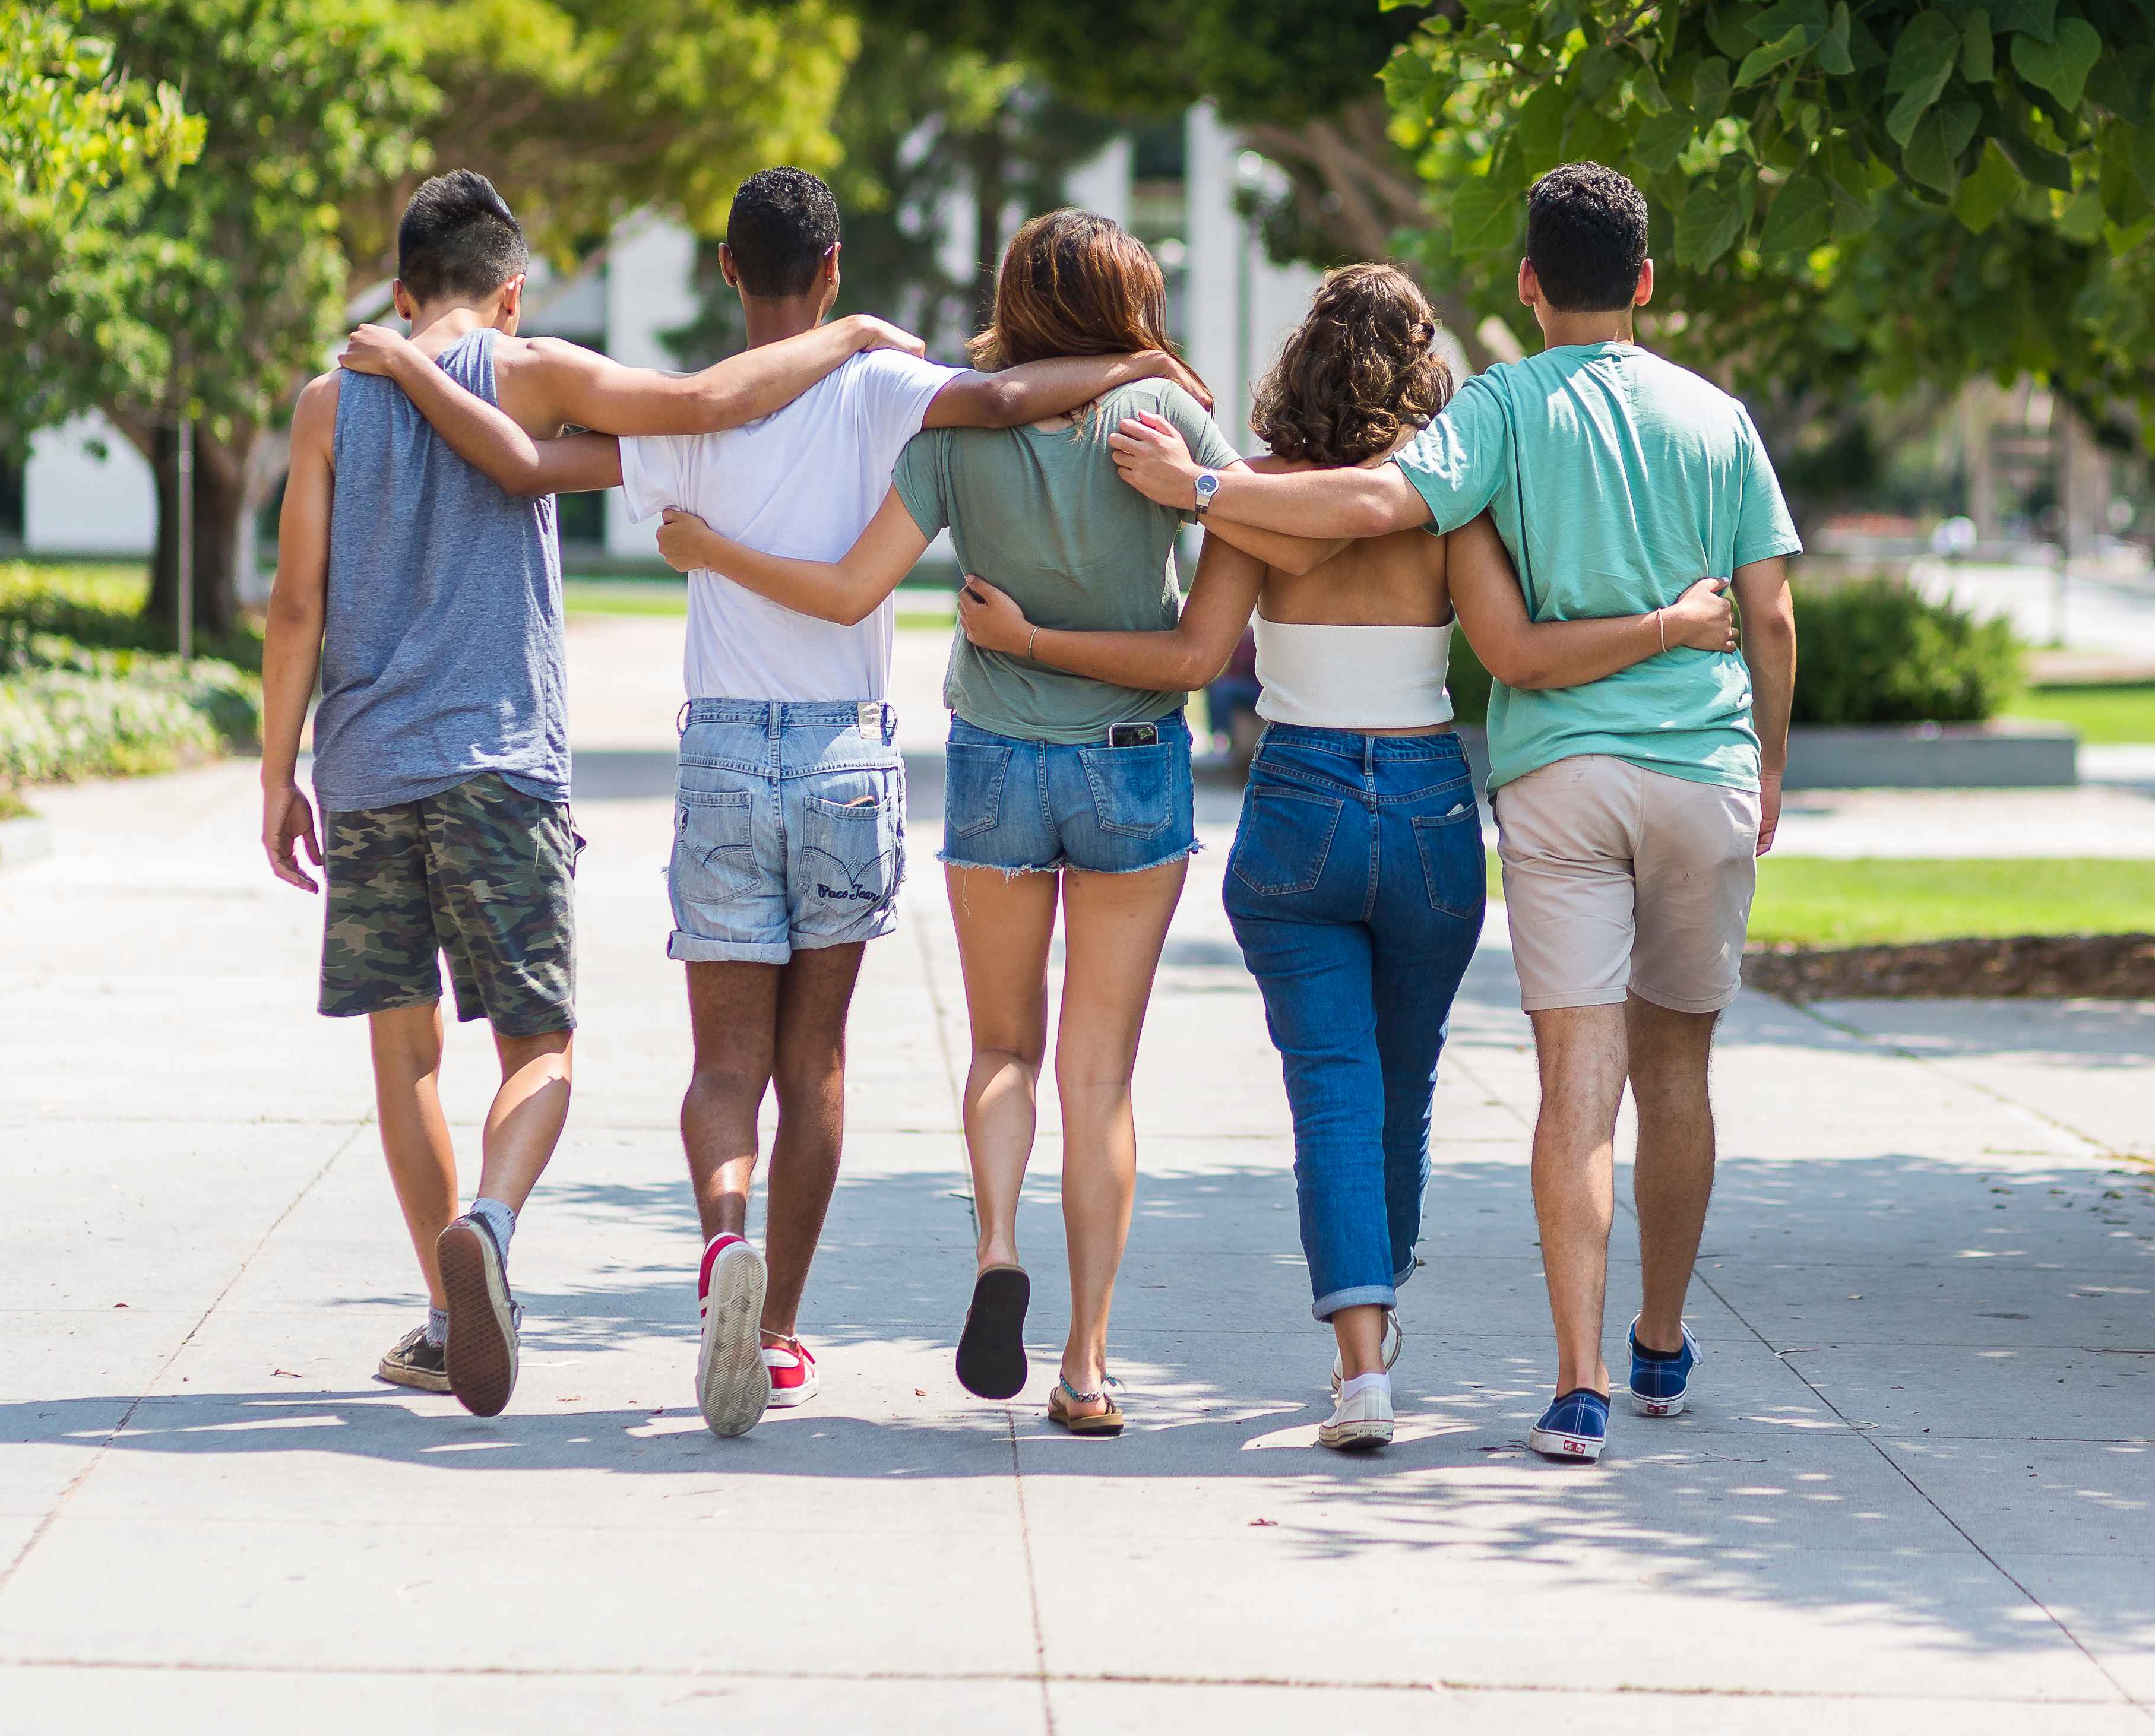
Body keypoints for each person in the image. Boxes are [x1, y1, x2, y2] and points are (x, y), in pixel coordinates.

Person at [335, 167, 1209, 1438]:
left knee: (726, 1064)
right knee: (818, 1063)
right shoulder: (886, 386)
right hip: (849, 762)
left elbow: (524, 465)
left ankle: (722, 1246)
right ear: (836, 269)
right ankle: (784, 1331)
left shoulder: (685, 408)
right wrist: (1143, 366)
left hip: (726, 760)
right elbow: (1014, 392)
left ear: (729, 273)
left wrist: (413, 373)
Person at [957, 262, 1740, 1452]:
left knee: (1330, 1089)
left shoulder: (1255, 499)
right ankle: (1381, 1319)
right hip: (1427, 808)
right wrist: (1674, 628)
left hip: (1301, 804)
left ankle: (1360, 1367)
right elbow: (1516, 653)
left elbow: (1187, 659)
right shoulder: (1445, 508)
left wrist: (1026, 640)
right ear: (1423, 374)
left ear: (1298, 367)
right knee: (1405, 1079)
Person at [1110, 164, 1800, 1465]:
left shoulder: (1361, 469)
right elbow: (1705, 620)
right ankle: (1641, 1341)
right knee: (1600, 1071)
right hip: (1528, 789)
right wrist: (1759, 747)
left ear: (1532, 281)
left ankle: (1456, 1369)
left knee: (1436, 1087)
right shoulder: (1629, 443)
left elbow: (1233, 641)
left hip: (1394, 795)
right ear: (1646, 281)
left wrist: (1177, 511)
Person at [261, 170, 926, 1420]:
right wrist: (849, 331)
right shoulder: (531, 365)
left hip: (359, 764)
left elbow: (295, 601)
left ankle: (454, 1311)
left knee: (405, 1057)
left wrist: (274, 773)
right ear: (511, 291)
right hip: (500, 759)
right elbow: (706, 400)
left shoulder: (323, 403)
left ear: (400, 292)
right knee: (540, 1046)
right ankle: (493, 1225)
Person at [657, 209, 1331, 1436]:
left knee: (1004, 1052)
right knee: (1102, 1074)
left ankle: (1000, 1244)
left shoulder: (953, 429)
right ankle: (1084, 1364)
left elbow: (853, 589)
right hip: (1132, 766)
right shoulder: (1167, 419)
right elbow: (1236, 588)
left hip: (999, 763)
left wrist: (713, 553)